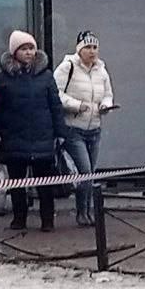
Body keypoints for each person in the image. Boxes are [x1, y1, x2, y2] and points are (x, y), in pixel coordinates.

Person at [0, 31, 68, 231]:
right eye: (24, 49)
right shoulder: (3, 78)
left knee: (45, 183)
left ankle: (47, 220)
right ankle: (19, 218)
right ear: (14, 52)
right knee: (16, 183)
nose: (29, 52)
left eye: (31, 48)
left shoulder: (46, 76)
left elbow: (55, 106)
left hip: (42, 136)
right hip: (14, 136)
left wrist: (60, 133)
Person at [54, 31, 115, 227]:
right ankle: (82, 211)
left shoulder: (101, 70)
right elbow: (56, 94)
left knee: (91, 173)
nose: (92, 51)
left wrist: (106, 105)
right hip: (74, 128)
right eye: (87, 47)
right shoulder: (67, 67)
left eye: (94, 47)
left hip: (95, 127)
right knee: (86, 171)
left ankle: (87, 211)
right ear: (79, 49)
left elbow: (107, 94)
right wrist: (76, 105)